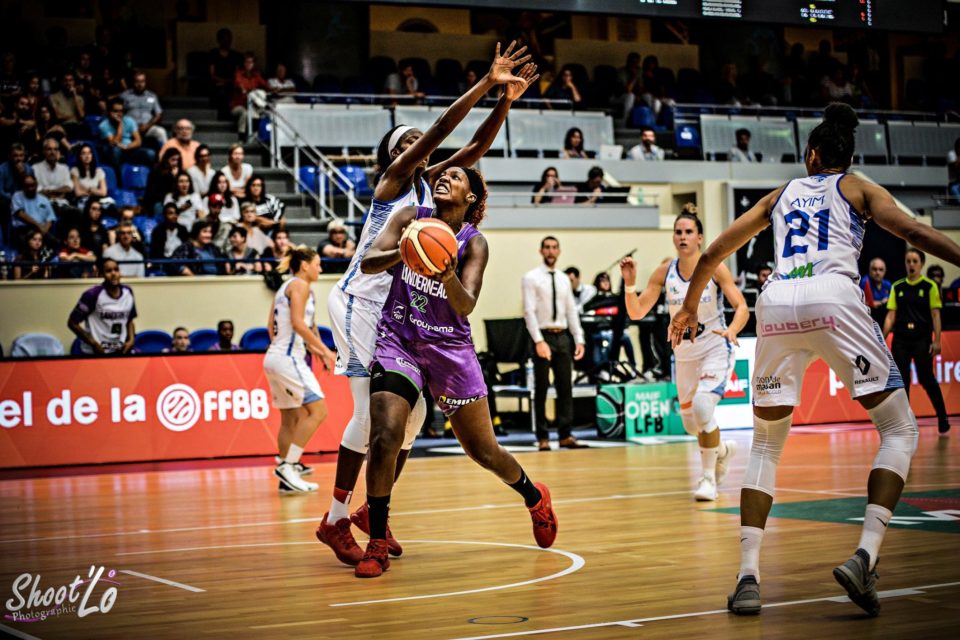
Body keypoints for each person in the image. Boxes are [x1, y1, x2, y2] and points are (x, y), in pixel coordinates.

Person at [668, 103, 960, 617]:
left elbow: (713, 252)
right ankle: (865, 557)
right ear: (847, 158)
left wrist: (689, 306)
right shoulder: (859, 188)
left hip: (778, 302)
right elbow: (914, 233)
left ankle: (748, 577)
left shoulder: (781, 193)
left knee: (765, 444)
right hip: (833, 298)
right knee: (899, 430)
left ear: (810, 155)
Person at [316, 44, 535, 568]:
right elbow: (442, 128)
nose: (421, 146)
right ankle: (335, 518)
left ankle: (374, 512)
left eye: (420, 142)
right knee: (372, 416)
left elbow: (475, 146)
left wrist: (505, 101)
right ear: (395, 155)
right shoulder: (395, 184)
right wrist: (486, 82)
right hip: (361, 300)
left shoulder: (430, 194)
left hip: (398, 315)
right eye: (408, 142)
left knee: (410, 419)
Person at [356, 166, 558, 578]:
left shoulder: (474, 242)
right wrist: (405, 252)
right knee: (385, 434)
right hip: (400, 339)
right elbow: (368, 263)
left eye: (457, 177)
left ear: (470, 198)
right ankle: (376, 540)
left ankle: (534, 496)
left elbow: (466, 304)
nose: (445, 178)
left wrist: (447, 274)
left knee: (483, 451)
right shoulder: (410, 218)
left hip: (449, 349)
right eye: (443, 174)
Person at [621, 209, 747, 501]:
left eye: (689, 232)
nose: (683, 237)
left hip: (715, 347)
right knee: (692, 425)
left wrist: (733, 330)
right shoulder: (665, 272)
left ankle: (708, 480)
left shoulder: (715, 267)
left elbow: (741, 306)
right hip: (685, 355)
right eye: (678, 232)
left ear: (700, 237)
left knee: (703, 407)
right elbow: (636, 312)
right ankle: (722, 450)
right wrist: (630, 284)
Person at [263, 246, 336, 492]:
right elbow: (298, 324)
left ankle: (286, 477)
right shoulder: (301, 286)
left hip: (274, 356)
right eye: (317, 264)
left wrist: (317, 351)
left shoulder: (285, 287)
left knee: (291, 418)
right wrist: (326, 351)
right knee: (318, 411)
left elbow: (271, 327)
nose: (320, 269)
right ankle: (289, 465)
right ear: (305, 266)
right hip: (287, 358)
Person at [522, 236, 588, 451]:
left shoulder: (563, 279)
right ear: (541, 251)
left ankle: (565, 435)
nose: (551, 251)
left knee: (565, 387)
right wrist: (538, 341)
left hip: (562, 336)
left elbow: (571, 310)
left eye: (554, 248)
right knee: (541, 388)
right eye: (547, 247)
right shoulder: (530, 278)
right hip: (542, 335)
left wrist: (579, 338)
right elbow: (528, 311)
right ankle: (542, 437)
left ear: (559, 251)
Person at [884, 249, 950, 435]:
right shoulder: (897, 286)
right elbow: (890, 316)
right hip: (901, 339)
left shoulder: (930, 286)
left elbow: (935, 315)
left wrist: (937, 341)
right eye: (908, 261)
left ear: (921, 264)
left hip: (922, 339)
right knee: (902, 381)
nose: (911, 264)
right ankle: (906, 423)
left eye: (915, 261)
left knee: (926, 378)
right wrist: (881, 338)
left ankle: (942, 417)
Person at [68, 257, 137, 355]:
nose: (113, 273)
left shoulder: (128, 292)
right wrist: (94, 344)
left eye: (116, 269)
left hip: (119, 350)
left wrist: (131, 340)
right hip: (95, 352)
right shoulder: (92, 294)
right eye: (108, 271)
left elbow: (129, 320)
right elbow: (72, 323)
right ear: (101, 274)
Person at [99, 97, 155, 170]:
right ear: (109, 112)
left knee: (150, 153)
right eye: (116, 111)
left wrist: (126, 147)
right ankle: (118, 175)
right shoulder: (104, 125)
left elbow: (138, 141)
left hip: (129, 149)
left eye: (121, 111)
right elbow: (114, 143)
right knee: (116, 150)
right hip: (113, 152)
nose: (119, 114)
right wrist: (120, 124)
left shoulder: (129, 121)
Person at [121, 71, 166, 149]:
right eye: (137, 81)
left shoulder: (152, 96)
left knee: (161, 131)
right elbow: (119, 112)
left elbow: (158, 114)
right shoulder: (125, 95)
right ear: (133, 82)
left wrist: (147, 126)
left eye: (142, 81)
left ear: (145, 82)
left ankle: (166, 155)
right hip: (130, 128)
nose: (140, 84)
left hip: (147, 127)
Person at [231, 53, 268, 136]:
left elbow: (266, 85)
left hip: (252, 105)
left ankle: (257, 135)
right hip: (238, 105)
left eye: (251, 62)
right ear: (244, 63)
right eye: (247, 62)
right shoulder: (239, 74)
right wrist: (243, 89)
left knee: (262, 113)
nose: (248, 64)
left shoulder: (256, 75)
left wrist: (275, 89)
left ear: (253, 64)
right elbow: (238, 83)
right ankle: (241, 136)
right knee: (245, 113)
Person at [208, 28, 243, 118]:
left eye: (229, 39)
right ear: (219, 40)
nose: (227, 42)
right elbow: (212, 74)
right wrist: (222, 81)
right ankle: (221, 115)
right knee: (220, 90)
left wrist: (228, 81)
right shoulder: (213, 54)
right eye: (224, 39)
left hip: (231, 82)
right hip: (216, 82)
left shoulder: (235, 55)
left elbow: (237, 73)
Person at [11, 174, 56, 242]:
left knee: (55, 242)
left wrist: (44, 231)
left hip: (42, 230)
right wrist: (38, 226)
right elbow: (20, 214)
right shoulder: (17, 196)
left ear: (36, 185)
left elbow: (50, 218)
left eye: (32, 185)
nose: (30, 188)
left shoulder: (44, 199)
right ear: (23, 186)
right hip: (24, 229)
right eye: (27, 186)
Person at [149, 202, 190, 274]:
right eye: (170, 213)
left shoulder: (183, 230)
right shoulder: (158, 231)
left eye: (176, 213)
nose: (174, 216)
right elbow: (155, 253)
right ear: (165, 215)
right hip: (164, 264)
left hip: (180, 263)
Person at [145, 148, 183, 217]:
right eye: (173, 160)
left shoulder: (180, 172)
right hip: (159, 200)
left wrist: (176, 177)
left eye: (178, 160)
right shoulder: (157, 171)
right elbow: (155, 192)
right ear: (167, 159)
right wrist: (172, 178)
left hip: (176, 200)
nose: (176, 163)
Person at [48, 72, 86, 140]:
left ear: (74, 82)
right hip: (63, 126)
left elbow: (82, 116)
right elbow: (59, 116)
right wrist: (73, 116)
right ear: (62, 82)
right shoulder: (54, 97)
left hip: (77, 126)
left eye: (71, 80)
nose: (68, 83)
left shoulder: (79, 98)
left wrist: (75, 96)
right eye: (66, 80)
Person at [861, 257, 892, 324]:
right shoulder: (865, 282)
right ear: (870, 270)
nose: (877, 272)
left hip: (884, 318)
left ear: (885, 271)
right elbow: (866, 304)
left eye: (881, 270)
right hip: (868, 319)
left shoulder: (888, 284)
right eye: (874, 269)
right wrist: (882, 302)